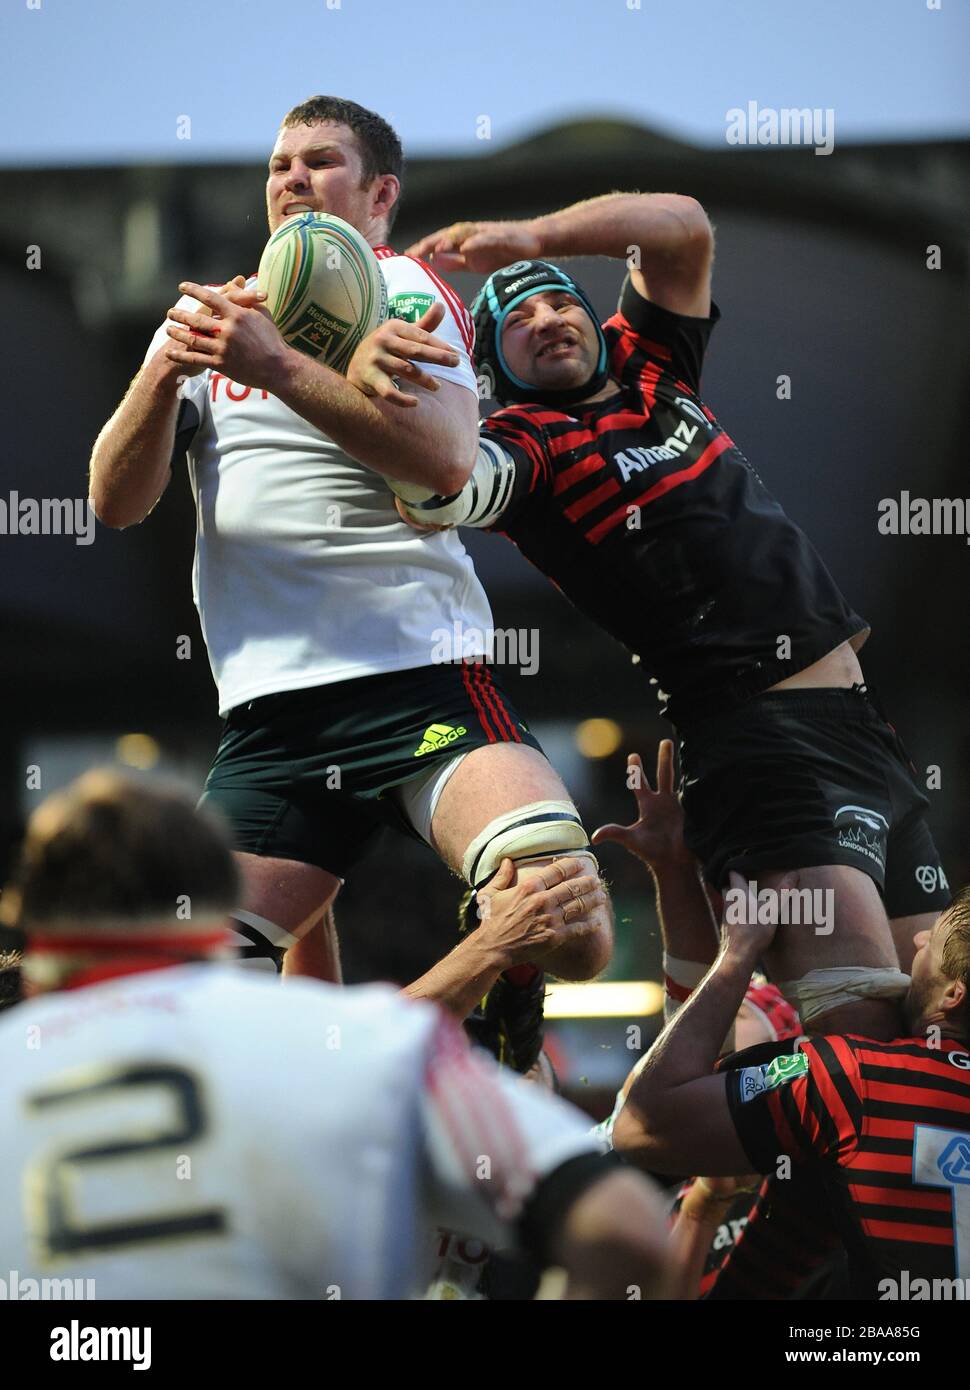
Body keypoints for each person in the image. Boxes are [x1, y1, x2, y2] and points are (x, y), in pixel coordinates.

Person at [353, 191, 949, 1035]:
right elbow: (440, 485)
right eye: (518, 318)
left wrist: (534, 236)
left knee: (940, 1013)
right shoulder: (528, 444)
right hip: (758, 746)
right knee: (861, 1023)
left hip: (864, 732)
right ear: (489, 370)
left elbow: (685, 227)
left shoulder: (652, 365)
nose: (548, 317)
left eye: (562, 299)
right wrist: (376, 372)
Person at [87, 96, 612, 985]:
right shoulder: (213, 318)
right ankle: (361, 971)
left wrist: (279, 366)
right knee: (186, 1000)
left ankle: (491, 1001)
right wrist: (162, 376)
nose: (293, 177)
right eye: (279, 165)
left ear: (380, 197)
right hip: (270, 717)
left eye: (322, 161)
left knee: (570, 928)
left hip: (418, 681)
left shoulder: (403, 287)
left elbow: (448, 464)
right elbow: (114, 502)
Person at [0, 769, 668, 1300]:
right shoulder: (376, 1045)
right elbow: (629, 1234)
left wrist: (308, 862)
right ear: (224, 904)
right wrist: (490, 946)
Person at [611, 875, 970, 1300]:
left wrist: (737, 954)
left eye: (933, 941)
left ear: (953, 995)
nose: (919, 937)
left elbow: (640, 1124)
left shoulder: (851, 1076)